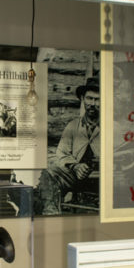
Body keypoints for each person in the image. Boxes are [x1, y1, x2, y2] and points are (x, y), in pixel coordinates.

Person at [37, 77, 100, 214]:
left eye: (97, 99)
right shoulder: (73, 126)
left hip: (102, 178)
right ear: (83, 99)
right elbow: (61, 152)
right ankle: (51, 213)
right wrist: (75, 166)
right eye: (89, 98)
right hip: (76, 175)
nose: (92, 104)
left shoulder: (113, 127)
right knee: (50, 172)